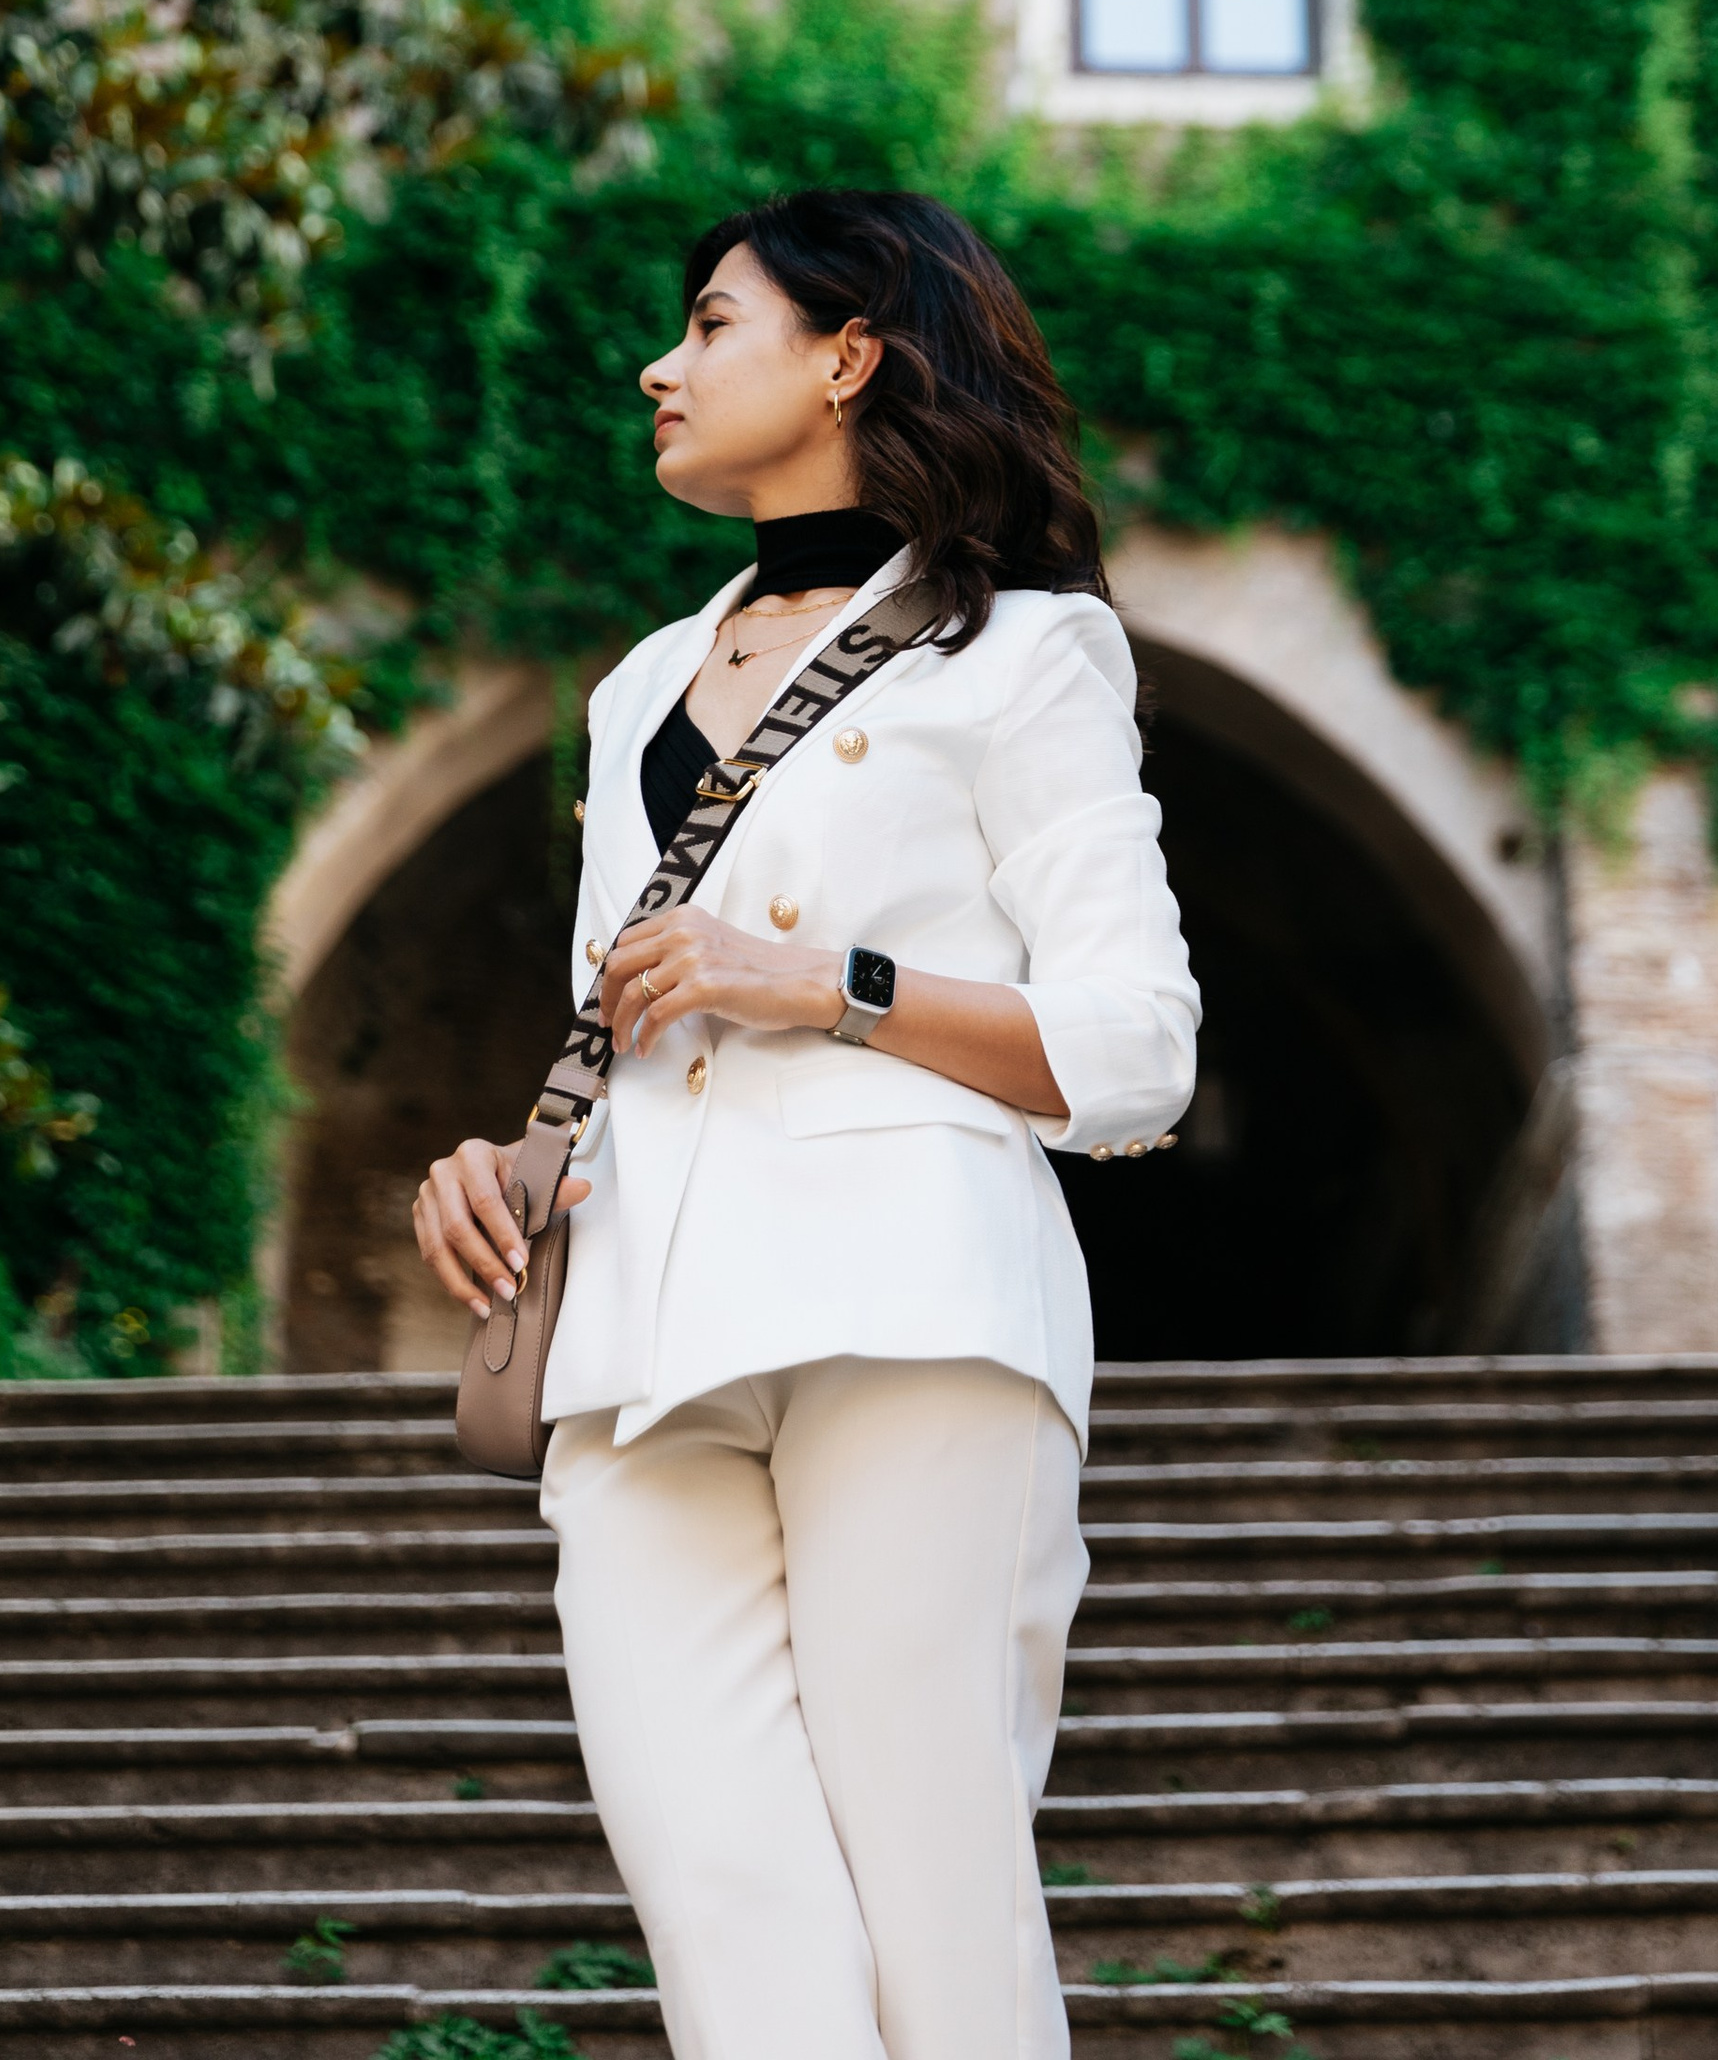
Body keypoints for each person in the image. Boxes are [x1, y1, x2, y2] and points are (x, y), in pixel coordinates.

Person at [411, 186, 1200, 2060]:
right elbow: (635, 1008)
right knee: (720, 1898)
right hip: (636, 1338)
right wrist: (504, 1165)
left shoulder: (1021, 654)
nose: (655, 366)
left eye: (707, 324)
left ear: (848, 356)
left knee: (936, 1895)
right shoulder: (632, 693)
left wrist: (824, 982)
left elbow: (1140, 1047)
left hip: (912, 1308)